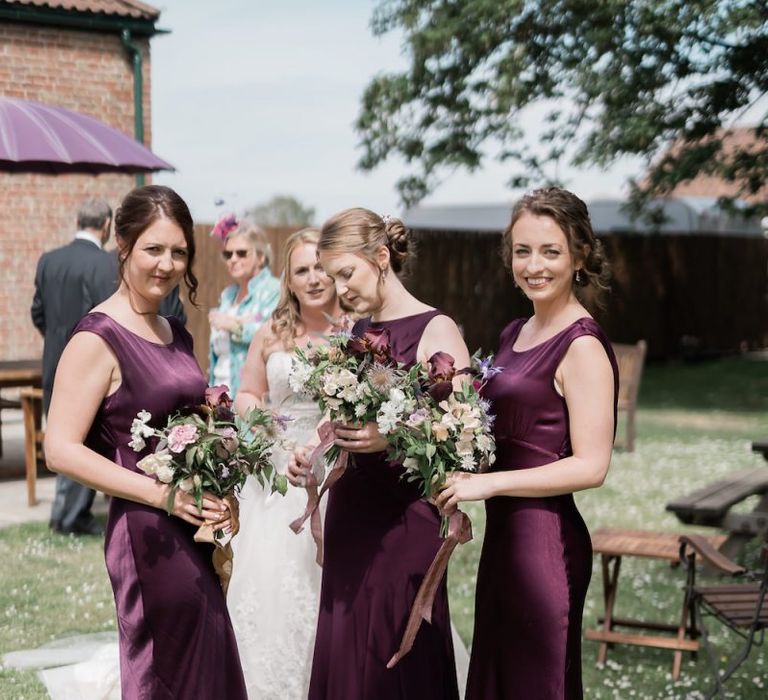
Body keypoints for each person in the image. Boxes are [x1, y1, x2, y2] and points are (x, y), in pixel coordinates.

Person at [44, 185, 247, 698]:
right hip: (147, 533)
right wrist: (164, 496)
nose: (167, 264)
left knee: (208, 658)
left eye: (179, 252)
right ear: (123, 243)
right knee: (168, 672)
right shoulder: (96, 337)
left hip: (196, 525)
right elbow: (60, 448)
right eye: (154, 249)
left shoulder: (175, 332)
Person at [436, 187, 619, 699]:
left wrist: (488, 484)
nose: (533, 265)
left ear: (580, 255)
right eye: (522, 251)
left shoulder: (581, 344)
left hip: (546, 546)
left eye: (550, 251)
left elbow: (591, 466)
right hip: (504, 543)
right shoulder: (515, 332)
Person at [287, 208, 468, 700]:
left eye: (347, 273)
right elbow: (339, 416)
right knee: (348, 653)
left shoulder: (438, 329)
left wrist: (393, 437)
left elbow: (465, 438)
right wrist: (313, 450)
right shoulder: (356, 333)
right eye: (332, 277)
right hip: (352, 517)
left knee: (394, 660)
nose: (340, 288)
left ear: (381, 257)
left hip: (407, 520)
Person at [228, 228, 340, 699]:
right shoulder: (272, 333)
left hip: (334, 468)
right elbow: (246, 393)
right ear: (288, 282)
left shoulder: (355, 332)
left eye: (321, 266)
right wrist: (266, 420)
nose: (314, 278)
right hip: (277, 474)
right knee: (269, 584)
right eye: (302, 271)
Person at [31, 198, 115, 536]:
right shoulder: (104, 264)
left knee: (60, 436)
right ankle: (71, 517)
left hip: (52, 361)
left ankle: (62, 513)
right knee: (81, 440)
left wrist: (55, 341)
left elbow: (37, 312)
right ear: (107, 224)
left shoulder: (48, 261)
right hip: (90, 367)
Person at [209, 216, 280, 396]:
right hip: (222, 392)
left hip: (253, 397)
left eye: (241, 253)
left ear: (261, 256)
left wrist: (232, 325)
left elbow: (275, 334)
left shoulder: (274, 290)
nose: (233, 259)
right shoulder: (228, 295)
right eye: (228, 254)